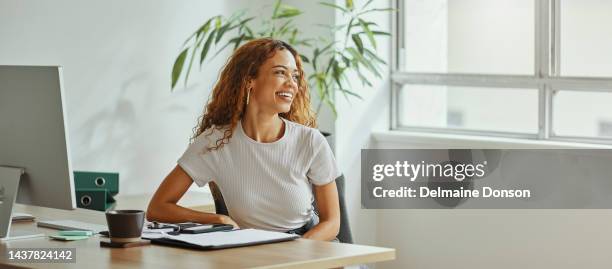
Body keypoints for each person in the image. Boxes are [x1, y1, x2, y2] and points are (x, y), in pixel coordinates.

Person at [147, 38, 341, 241]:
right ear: (250, 80)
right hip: (249, 250)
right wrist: (216, 219)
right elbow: (158, 207)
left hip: (308, 246)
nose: (292, 84)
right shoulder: (215, 142)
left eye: (295, 76)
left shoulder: (310, 141)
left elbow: (332, 223)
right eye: (280, 72)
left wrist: (295, 251)